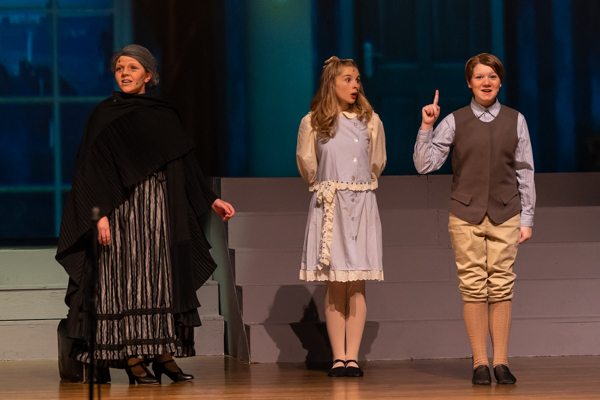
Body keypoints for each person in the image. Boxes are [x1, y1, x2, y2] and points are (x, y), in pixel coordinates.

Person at [56, 44, 235, 385]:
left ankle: (164, 355)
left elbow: (181, 161)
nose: (124, 73)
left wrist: (210, 200)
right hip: (121, 211)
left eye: (133, 68)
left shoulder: (163, 114)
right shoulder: (104, 115)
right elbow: (90, 171)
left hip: (159, 209)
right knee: (127, 283)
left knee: (160, 281)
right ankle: (133, 357)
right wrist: (100, 217)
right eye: (119, 67)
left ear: (148, 76)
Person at [413, 53, 535, 385]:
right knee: (473, 286)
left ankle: (501, 362)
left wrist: (527, 217)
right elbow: (425, 165)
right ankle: (479, 362)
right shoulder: (454, 120)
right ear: (469, 82)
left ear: (500, 80)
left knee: (501, 285)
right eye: (479, 77)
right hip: (465, 214)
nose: (486, 82)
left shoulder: (516, 120)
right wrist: (427, 125)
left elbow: (525, 171)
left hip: (506, 212)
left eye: (492, 76)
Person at [296, 56, 386, 377]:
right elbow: (308, 165)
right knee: (335, 283)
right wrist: (328, 185)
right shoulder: (313, 122)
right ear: (332, 83)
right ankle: (339, 357)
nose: (355, 85)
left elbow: (376, 163)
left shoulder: (370, 121)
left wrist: (357, 187)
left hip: (360, 204)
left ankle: (353, 356)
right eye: (347, 79)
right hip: (330, 204)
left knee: (357, 283)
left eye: (357, 79)